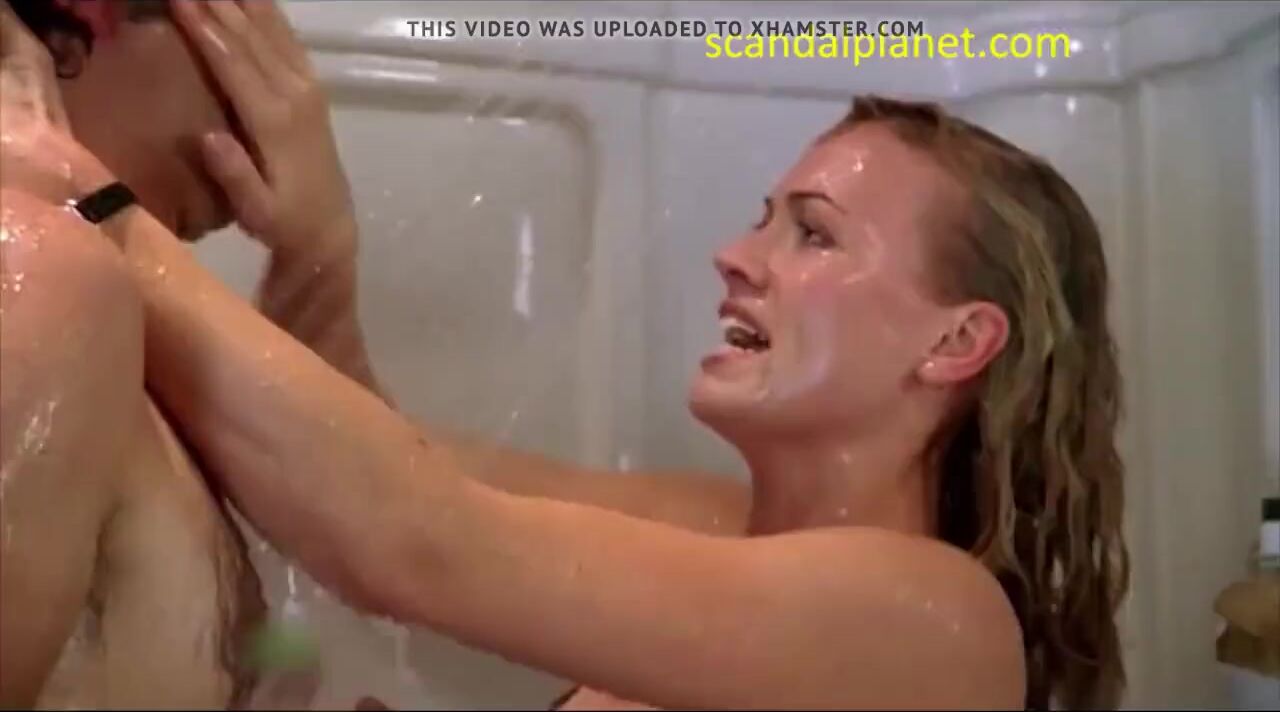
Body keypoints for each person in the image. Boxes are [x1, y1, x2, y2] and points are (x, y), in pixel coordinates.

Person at [6, 4, 1131, 712]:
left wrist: (90, 205)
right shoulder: (712, 527)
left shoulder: (937, 621)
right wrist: (319, 247)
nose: (735, 257)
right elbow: (371, 456)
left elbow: (408, 536)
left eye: (813, 234)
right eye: (763, 219)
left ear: (956, 343)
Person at [0, 0, 376, 706]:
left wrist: (318, 260)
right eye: (242, 14)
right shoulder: (38, 282)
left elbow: (393, 528)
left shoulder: (99, 317)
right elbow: (415, 545)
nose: (283, 94)